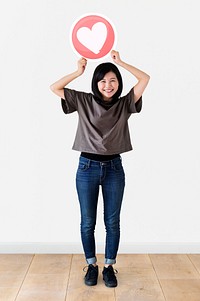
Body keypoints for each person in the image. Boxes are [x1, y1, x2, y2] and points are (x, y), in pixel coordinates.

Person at [50, 50, 150, 287]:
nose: (108, 85)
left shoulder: (126, 103)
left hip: (114, 168)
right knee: (87, 221)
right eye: (103, 80)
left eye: (113, 80)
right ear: (96, 83)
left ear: (118, 83)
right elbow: (54, 87)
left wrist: (121, 62)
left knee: (112, 222)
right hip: (87, 168)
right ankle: (92, 265)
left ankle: (109, 267)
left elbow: (145, 79)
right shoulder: (83, 100)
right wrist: (78, 71)